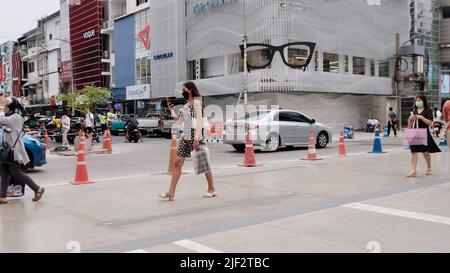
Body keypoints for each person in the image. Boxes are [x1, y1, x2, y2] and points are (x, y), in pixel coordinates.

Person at [159, 82, 217, 201]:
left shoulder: (197, 103)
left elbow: (199, 122)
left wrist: (196, 138)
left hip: (195, 136)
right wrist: (171, 110)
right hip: (185, 135)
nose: (182, 91)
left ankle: (212, 188)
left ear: (190, 90)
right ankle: (171, 192)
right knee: (177, 163)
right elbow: (179, 121)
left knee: (203, 163)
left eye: (184, 89)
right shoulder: (185, 106)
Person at [0, 97, 45, 205]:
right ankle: (2, 196)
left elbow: (1, 120)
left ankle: (37, 188)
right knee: (4, 172)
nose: (4, 106)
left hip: (13, 151)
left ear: (11, 106)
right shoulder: (10, 116)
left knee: (16, 172)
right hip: (6, 150)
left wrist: (1, 108)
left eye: (6, 104)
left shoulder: (16, 117)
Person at [407, 95, 441, 178]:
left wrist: (421, 117)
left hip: (424, 132)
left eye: (419, 100)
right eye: (416, 100)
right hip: (414, 132)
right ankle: (413, 171)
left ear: (423, 101)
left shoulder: (428, 110)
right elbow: (409, 124)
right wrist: (410, 119)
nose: (417, 102)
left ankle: (429, 166)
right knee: (413, 151)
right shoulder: (413, 110)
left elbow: (430, 123)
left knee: (425, 151)